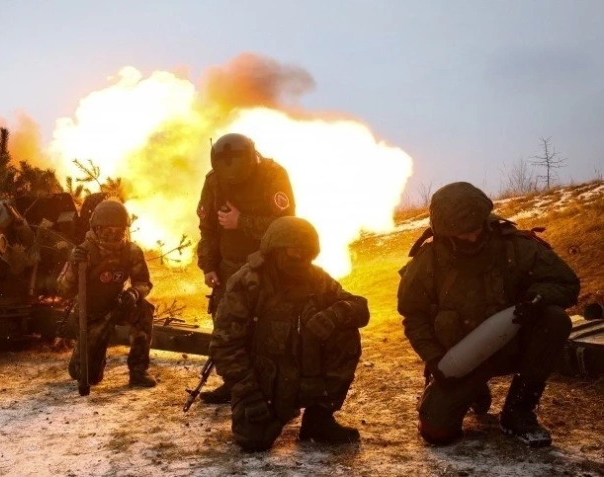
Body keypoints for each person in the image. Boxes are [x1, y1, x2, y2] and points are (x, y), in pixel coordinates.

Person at [398, 182, 579, 447]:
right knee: (436, 432)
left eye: (476, 229)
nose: (472, 238)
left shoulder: (514, 245)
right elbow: (414, 316)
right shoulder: (428, 262)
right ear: (445, 232)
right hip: (460, 356)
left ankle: (519, 410)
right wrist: (434, 359)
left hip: (511, 345)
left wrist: (538, 298)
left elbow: (566, 282)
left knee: (554, 319)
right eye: (463, 234)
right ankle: (472, 391)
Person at [210, 217, 368, 452]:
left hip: (306, 374)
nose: (300, 257)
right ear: (275, 250)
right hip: (264, 382)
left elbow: (360, 308)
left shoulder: (316, 279)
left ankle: (319, 418)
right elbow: (224, 346)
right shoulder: (249, 282)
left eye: (306, 252)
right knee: (253, 440)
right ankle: (274, 410)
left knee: (346, 333)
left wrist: (335, 314)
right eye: (294, 251)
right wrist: (249, 394)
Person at [197, 132, 295, 404]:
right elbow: (207, 230)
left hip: (267, 266)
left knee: (269, 329)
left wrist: (242, 221)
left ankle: (271, 386)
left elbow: (286, 226)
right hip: (227, 269)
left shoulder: (273, 176)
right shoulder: (214, 181)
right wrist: (208, 266)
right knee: (227, 329)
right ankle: (235, 383)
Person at [58, 198, 157, 388]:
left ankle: (139, 371)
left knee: (144, 310)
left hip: (117, 305)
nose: (113, 236)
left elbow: (143, 283)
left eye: (118, 231)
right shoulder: (84, 252)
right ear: (97, 229)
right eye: (107, 231)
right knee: (89, 376)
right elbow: (63, 289)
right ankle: (79, 361)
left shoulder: (131, 251)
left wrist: (134, 294)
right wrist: (74, 266)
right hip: (91, 314)